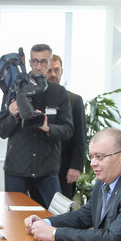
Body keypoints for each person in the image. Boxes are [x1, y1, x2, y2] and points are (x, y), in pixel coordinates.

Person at [0, 44, 74, 208]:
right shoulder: (14, 88)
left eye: (43, 62)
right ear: (29, 62)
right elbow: (2, 131)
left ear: (49, 62)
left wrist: (48, 128)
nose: (38, 66)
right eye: (35, 61)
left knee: (58, 214)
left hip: (47, 169)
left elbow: (68, 130)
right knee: (14, 216)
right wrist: (12, 115)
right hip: (17, 168)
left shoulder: (59, 92)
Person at [47, 55, 87, 199]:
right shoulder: (35, 99)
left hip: (65, 168)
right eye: (49, 70)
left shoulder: (74, 100)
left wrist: (76, 166)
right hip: (41, 168)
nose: (53, 74)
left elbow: (80, 135)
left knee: (62, 210)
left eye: (56, 70)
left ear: (62, 72)